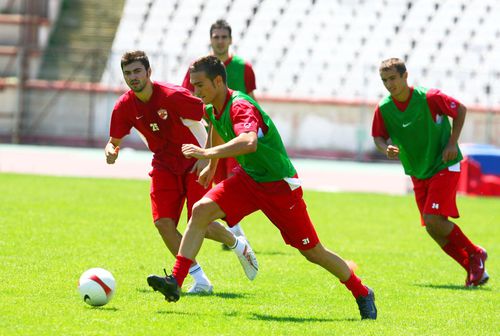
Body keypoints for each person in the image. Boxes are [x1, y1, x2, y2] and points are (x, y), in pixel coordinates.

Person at [146, 56, 377, 320]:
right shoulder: (212, 108)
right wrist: (211, 164)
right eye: (193, 86)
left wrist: (206, 152)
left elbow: (249, 141)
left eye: (200, 85)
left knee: (312, 251)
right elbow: (217, 128)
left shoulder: (240, 105)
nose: (195, 92)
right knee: (200, 211)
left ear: (218, 81)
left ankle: (361, 291)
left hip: (279, 186)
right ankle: (176, 280)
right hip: (248, 179)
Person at [105, 50, 259, 295]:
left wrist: (206, 156)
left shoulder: (174, 95)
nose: (133, 77)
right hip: (163, 166)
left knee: (200, 224)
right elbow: (114, 140)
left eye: (137, 71)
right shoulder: (124, 106)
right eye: (127, 73)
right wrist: (111, 150)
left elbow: (212, 118)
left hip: (193, 163)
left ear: (148, 72)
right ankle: (200, 281)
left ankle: (237, 244)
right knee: (163, 224)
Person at [372, 58, 489, 287]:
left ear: (405, 76)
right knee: (433, 230)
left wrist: (452, 143)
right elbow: (377, 136)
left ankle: (476, 252)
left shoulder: (429, 97)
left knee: (433, 220)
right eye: (385, 80)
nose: (389, 84)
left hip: (444, 165)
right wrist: (386, 148)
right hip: (418, 170)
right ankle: (473, 267)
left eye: (393, 78)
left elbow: (461, 110)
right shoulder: (384, 108)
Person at [182, 19, 257, 243]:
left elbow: (251, 100)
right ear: (211, 39)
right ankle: (235, 231)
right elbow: (187, 100)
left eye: (224, 37)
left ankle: (234, 231)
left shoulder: (244, 67)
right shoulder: (198, 68)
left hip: (236, 137)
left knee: (234, 181)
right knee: (216, 181)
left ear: (231, 40)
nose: (220, 41)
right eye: (216, 37)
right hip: (210, 134)